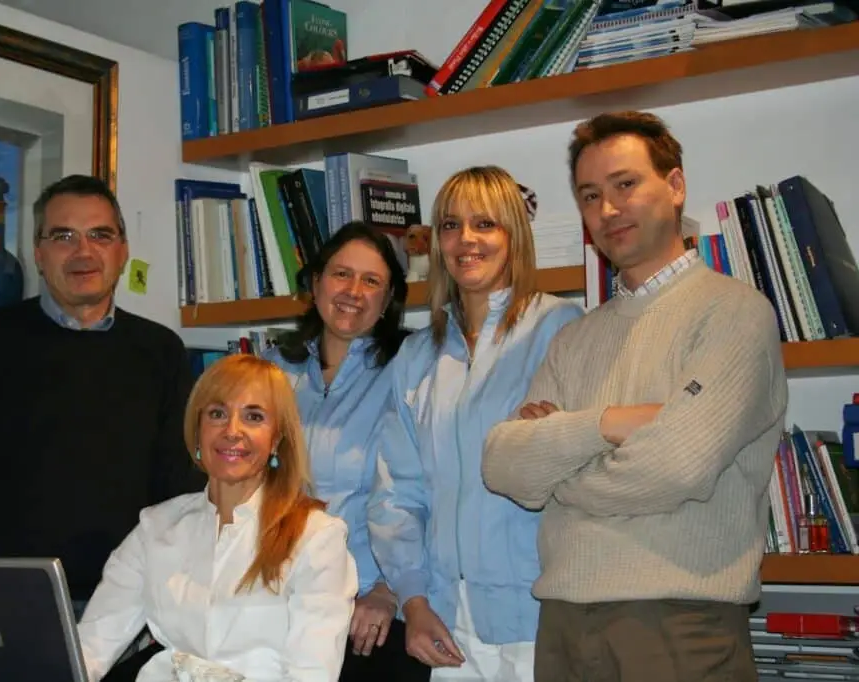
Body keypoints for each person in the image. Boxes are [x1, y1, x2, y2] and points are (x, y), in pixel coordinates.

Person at [481, 111, 787, 682]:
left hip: (680, 626)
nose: (608, 209)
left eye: (626, 185)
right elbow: (505, 466)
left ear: (674, 186)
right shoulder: (575, 337)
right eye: (590, 194)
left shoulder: (735, 314)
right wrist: (606, 426)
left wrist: (560, 466)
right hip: (564, 625)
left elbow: (676, 466)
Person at [0, 174, 207, 618]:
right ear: (39, 254)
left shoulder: (161, 352)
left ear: (122, 251)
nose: (84, 251)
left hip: (127, 610)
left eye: (100, 235)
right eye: (63, 236)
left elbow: (180, 492)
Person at [367, 166, 584, 681]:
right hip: (445, 616)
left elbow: (571, 462)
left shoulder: (558, 327)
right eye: (449, 225)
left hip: (537, 612)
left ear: (513, 236)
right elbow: (397, 492)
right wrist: (414, 601)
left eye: (485, 223)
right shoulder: (418, 354)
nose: (466, 239)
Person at [77, 353, 358, 682]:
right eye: (217, 413)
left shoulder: (317, 537)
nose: (232, 430)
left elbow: (312, 675)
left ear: (276, 440)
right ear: (197, 431)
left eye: (253, 416)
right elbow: (90, 647)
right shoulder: (156, 527)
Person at [265, 222, 430, 682]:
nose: (353, 291)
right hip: (281, 610)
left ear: (388, 300)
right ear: (316, 282)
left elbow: (424, 492)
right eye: (341, 274)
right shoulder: (272, 372)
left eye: (372, 281)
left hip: (370, 613)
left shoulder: (411, 370)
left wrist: (387, 590)